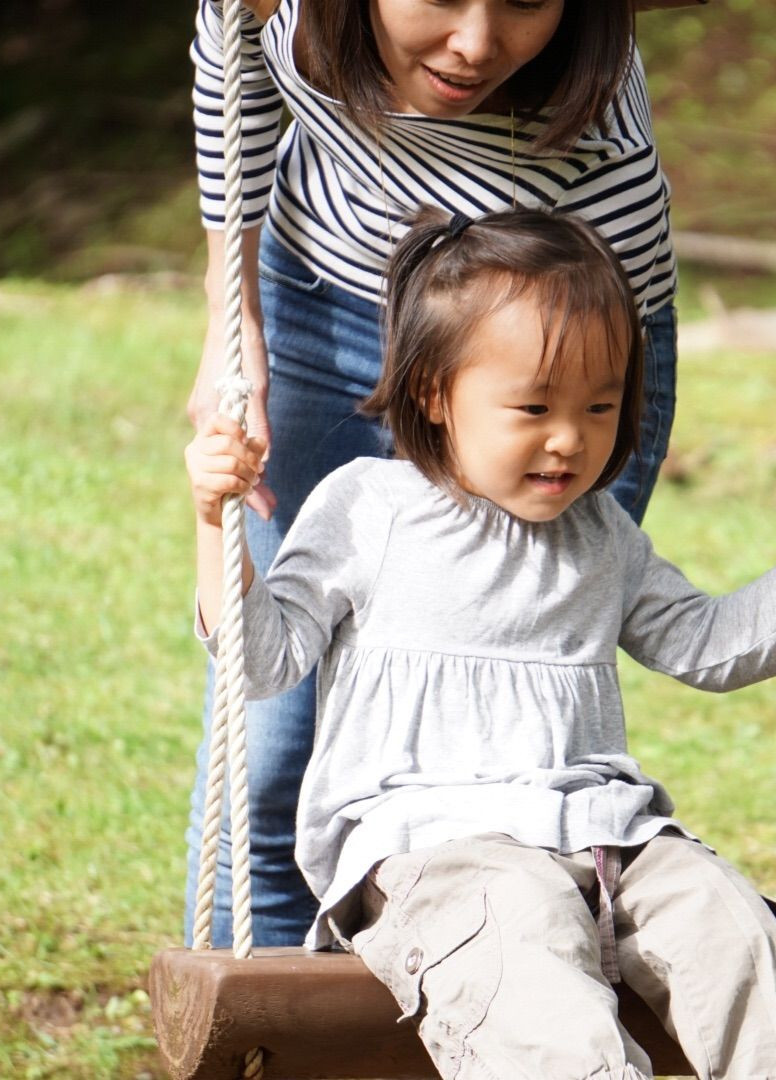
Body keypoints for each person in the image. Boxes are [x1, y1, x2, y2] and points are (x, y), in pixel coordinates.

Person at [183, 208, 776, 1078]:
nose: (570, 438)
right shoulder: (370, 507)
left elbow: (706, 643)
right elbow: (262, 660)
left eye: (599, 407)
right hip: (439, 846)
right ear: (434, 394)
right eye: (533, 407)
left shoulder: (600, 533)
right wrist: (216, 522)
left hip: (609, 834)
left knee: (733, 928)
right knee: (530, 971)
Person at [184, 0, 685, 948]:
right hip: (324, 294)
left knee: (496, 772)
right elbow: (230, 45)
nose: (476, 44)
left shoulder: (594, 130)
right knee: (270, 748)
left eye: (526, 1)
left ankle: (480, 1007)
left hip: (553, 367)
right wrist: (230, 312)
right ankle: (263, 1016)